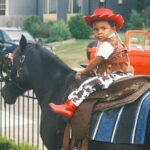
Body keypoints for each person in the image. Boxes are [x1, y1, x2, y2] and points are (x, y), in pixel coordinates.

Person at [49, 8, 134, 118]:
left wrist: (84, 71)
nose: (99, 32)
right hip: (122, 73)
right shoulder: (115, 42)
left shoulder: (108, 44)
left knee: (88, 84)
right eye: (96, 29)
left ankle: (69, 107)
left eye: (103, 28)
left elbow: (96, 61)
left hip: (116, 75)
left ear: (113, 28)